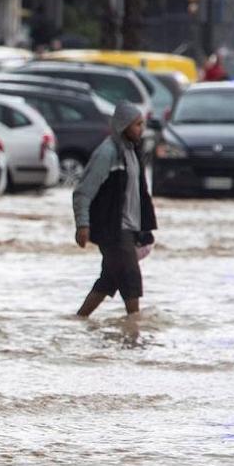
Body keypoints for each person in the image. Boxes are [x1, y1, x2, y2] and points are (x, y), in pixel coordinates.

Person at [71, 101, 157, 318]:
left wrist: (144, 228)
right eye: (137, 124)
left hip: (129, 228)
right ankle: (134, 335)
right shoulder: (107, 153)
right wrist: (82, 225)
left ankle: (79, 320)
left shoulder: (132, 153)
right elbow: (82, 192)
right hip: (114, 230)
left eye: (142, 124)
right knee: (130, 279)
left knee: (108, 280)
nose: (141, 129)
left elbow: (139, 194)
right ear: (123, 126)